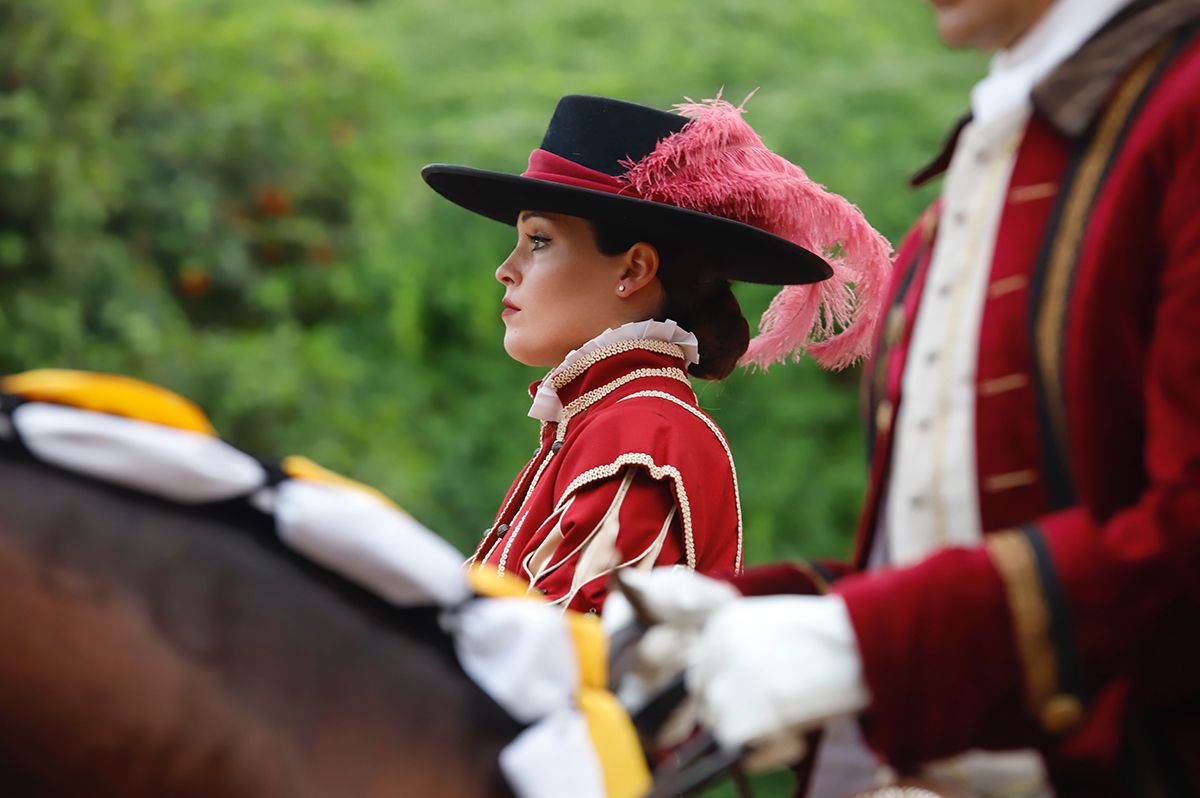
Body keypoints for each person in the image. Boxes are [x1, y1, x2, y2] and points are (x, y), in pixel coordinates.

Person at [617, 0, 1200, 796]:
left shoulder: (1178, 115)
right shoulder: (987, 172)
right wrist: (744, 616)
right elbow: (938, 556)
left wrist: (853, 646)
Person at [421, 94, 891, 613]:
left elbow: (565, 658)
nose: (505, 269)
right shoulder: (599, 419)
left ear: (633, 270)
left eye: (538, 241)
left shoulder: (643, 431)